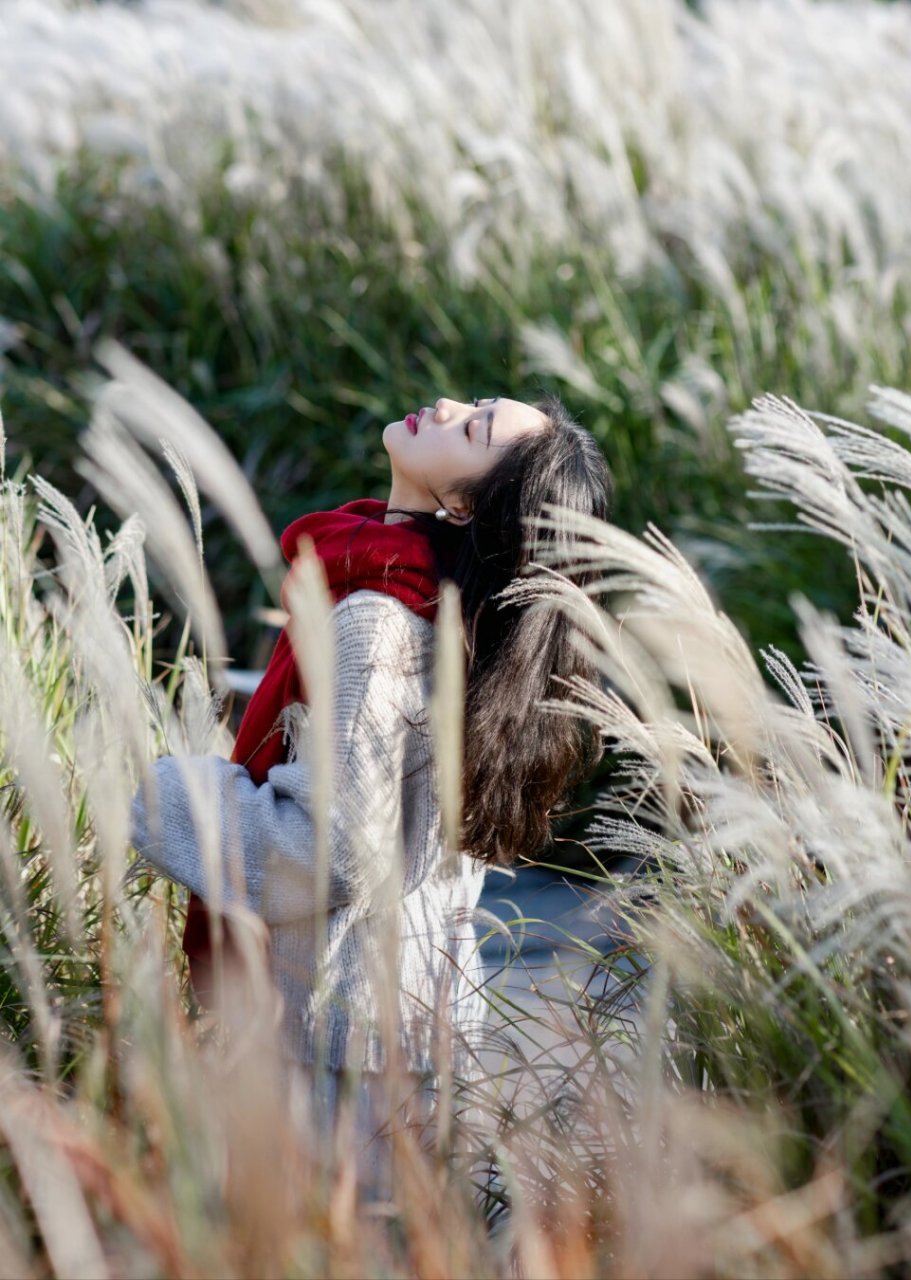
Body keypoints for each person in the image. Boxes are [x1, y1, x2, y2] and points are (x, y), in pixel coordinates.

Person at [130, 392, 611, 1158]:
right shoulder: (455, 621)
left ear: (463, 508)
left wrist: (167, 796)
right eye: (475, 404)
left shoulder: (380, 619)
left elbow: (337, 847)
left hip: (332, 1053)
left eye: (473, 429)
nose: (447, 405)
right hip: (415, 1034)